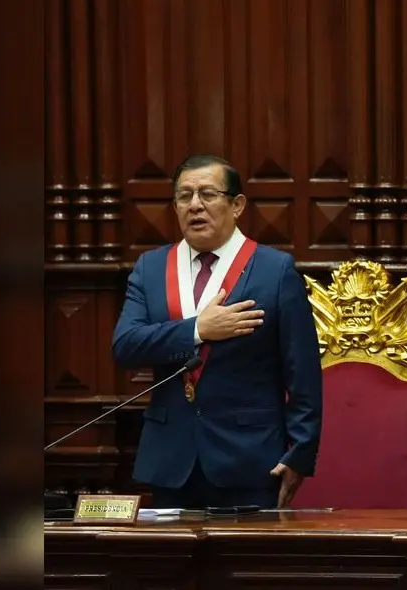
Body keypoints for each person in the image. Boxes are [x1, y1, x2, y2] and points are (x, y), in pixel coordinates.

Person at [112, 154, 323, 510]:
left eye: (208, 194)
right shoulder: (151, 268)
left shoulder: (274, 270)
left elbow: (302, 372)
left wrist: (300, 453)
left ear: (237, 205)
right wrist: (197, 330)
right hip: (170, 459)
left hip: (249, 459)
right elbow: (126, 346)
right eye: (184, 196)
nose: (195, 205)